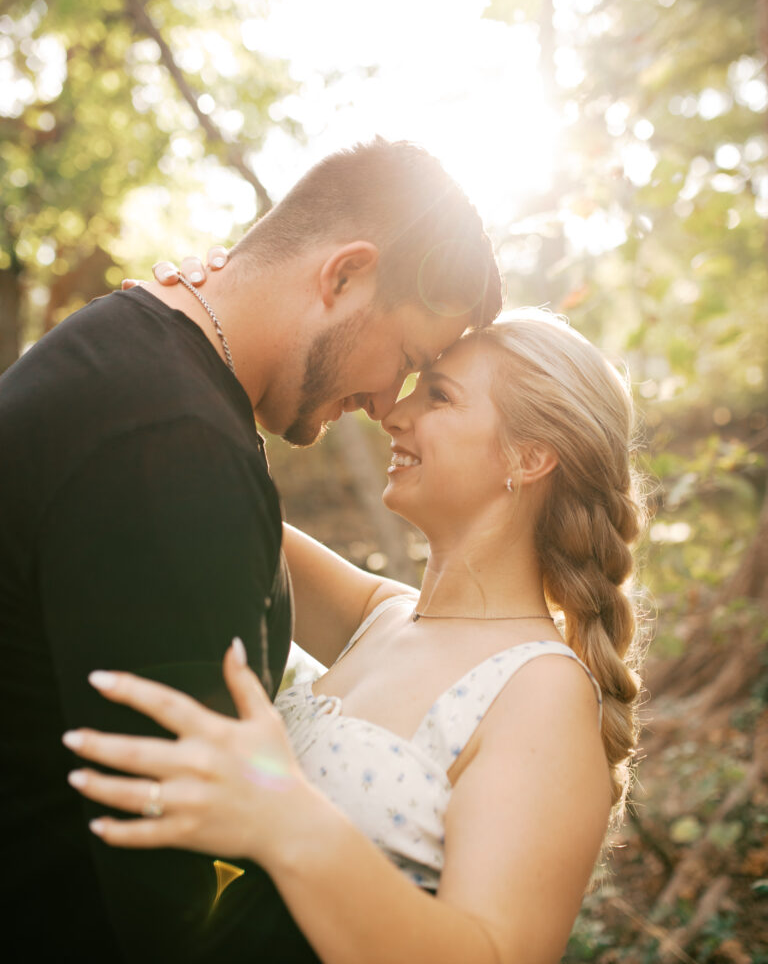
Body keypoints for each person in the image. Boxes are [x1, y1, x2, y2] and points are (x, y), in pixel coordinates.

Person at [0, 138, 501, 961]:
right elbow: (161, 880)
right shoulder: (172, 445)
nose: (386, 404)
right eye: (406, 361)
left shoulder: (131, 347)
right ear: (345, 274)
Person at [63, 308, 646, 964]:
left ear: (530, 456)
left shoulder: (541, 690)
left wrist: (284, 818)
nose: (393, 414)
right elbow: (200, 492)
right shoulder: (381, 615)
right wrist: (180, 311)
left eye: (439, 396)